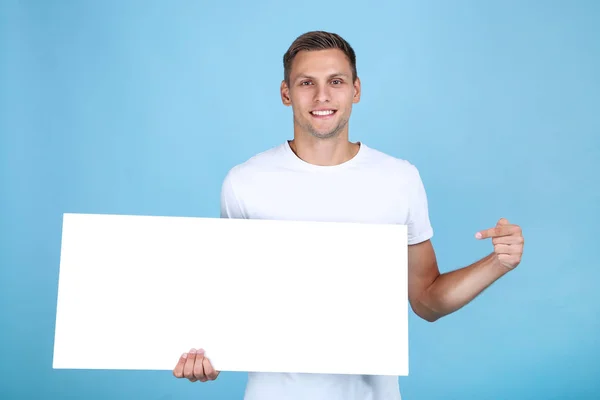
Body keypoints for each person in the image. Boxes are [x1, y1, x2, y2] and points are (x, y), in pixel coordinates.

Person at [172, 30, 525, 400]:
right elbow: (232, 300)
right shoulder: (245, 183)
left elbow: (426, 300)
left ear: (356, 90)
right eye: (306, 82)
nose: (322, 96)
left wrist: (496, 263)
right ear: (285, 93)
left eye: (336, 81)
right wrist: (206, 353)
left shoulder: (399, 179)